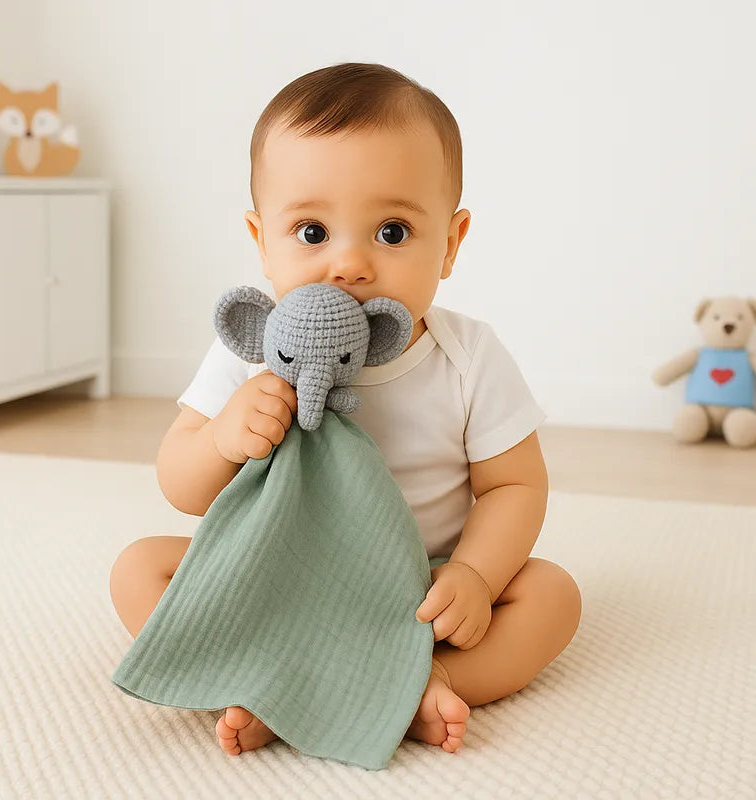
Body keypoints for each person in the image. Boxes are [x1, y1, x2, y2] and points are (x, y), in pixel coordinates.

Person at [109, 62, 582, 758]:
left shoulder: (468, 356)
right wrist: (224, 436)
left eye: (392, 232)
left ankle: (419, 678)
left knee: (552, 596)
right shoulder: (250, 350)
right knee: (137, 569)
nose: (348, 264)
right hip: (280, 581)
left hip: (418, 594)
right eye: (310, 232)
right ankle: (276, 681)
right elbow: (180, 483)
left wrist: (476, 574)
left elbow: (514, 484)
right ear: (260, 240)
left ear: (450, 244)